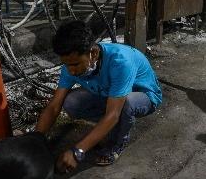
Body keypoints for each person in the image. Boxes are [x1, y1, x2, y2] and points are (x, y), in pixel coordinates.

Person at [36, 20, 162, 170]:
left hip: (144, 96)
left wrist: (78, 151)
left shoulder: (120, 62)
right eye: (66, 65)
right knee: (71, 102)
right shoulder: (71, 66)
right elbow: (54, 106)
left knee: (124, 106)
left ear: (93, 53)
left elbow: (113, 113)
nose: (71, 71)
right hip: (111, 96)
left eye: (75, 64)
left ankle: (116, 143)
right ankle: (108, 129)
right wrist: (36, 140)